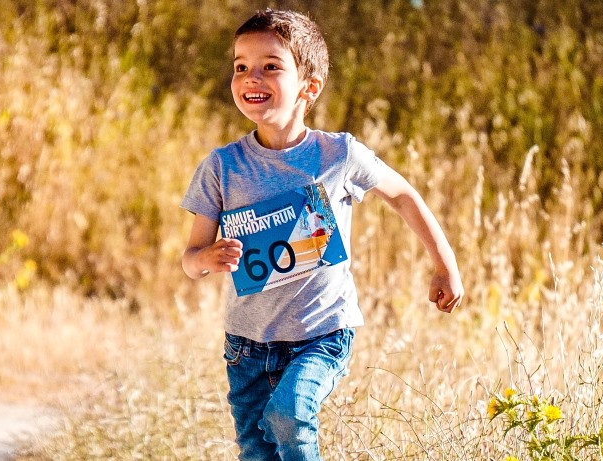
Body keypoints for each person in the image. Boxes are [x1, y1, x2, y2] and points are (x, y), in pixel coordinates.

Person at [180, 9, 464, 461]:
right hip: (246, 348)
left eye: (271, 65)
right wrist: (205, 259)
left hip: (321, 334)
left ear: (308, 88)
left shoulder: (338, 154)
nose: (251, 76)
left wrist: (445, 265)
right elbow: (190, 258)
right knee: (258, 452)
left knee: (291, 414)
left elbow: (403, 195)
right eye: (240, 66)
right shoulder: (222, 167)